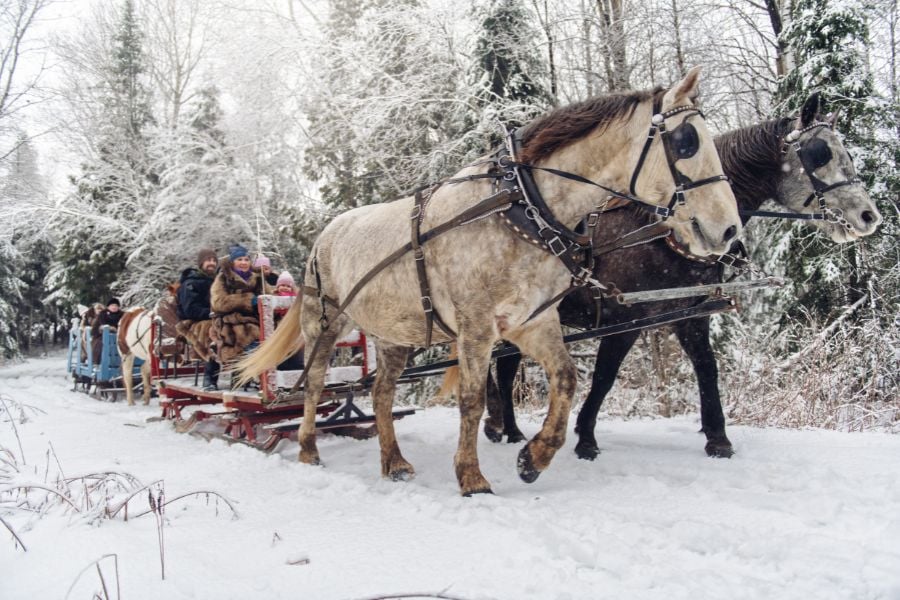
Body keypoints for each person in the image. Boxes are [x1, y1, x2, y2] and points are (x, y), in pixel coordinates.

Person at [210, 244, 263, 365]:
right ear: (232, 262)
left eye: (246, 259)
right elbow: (218, 302)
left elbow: (268, 292)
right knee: (249, 332)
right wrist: (247, 300)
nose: (243, 263)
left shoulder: (257, 278)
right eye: (239, 259)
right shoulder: (223, 278)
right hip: (230, 320)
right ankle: (252, 370)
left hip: (257, 318)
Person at [175, 248, 219, 390]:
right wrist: (212, 313)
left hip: (218, 317)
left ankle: (241, 376)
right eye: (208, 260)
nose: (211, 263)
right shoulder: (191, 283)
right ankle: (210, 376)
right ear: (201, 263)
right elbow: (190, 309)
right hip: (195, 321)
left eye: (214, 260)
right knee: (212, 331)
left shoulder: (218, 281)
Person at [90, 298, 123, 365]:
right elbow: (94, 330)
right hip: (102, 336)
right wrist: (102, 329)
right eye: (112, 305)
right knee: (99, 345)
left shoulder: (123, 314)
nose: (114, 307)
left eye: (116, 305)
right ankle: (98, 362)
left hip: (120, 336)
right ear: (108, 306)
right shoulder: (102, 314)